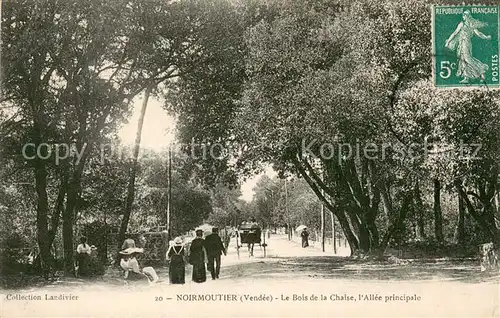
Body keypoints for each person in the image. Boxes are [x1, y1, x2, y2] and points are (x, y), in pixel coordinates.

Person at [445, 10, 492, 83]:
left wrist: (486, 37)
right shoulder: (462, 24)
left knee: (467, 59)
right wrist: (448, 41)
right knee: (462, 59)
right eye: (463, 15)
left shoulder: (471, 25)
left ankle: (481, 70)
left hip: (466, 43)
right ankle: (466, 77)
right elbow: (455, 33)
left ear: (467, 16)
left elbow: (479, 33)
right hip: (461, 44)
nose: (463, 17)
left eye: (465, 15)